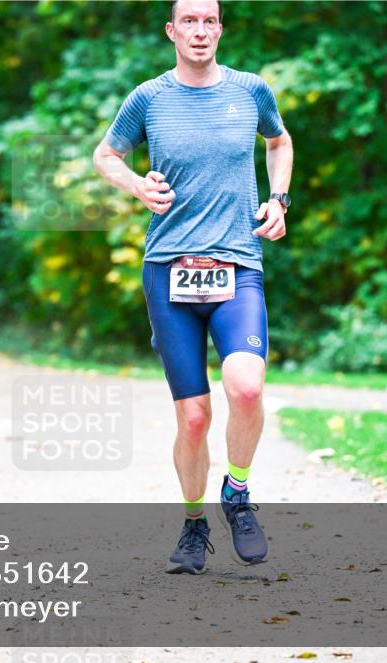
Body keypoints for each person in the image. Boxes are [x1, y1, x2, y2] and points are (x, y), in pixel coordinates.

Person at [93, 0, 294, 574]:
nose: (200, 31)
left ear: (221, 30)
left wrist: (278, 199)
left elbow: (279, 142)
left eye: (210, 21)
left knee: (247, 389)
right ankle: (192, 524)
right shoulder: (149, 98)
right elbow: (105, 155)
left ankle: (238, 492)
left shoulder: (251, 90)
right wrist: (135, 185)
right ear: (172, 31)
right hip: (168, 270)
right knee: (195, 418)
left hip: (237, 266)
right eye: (190, 21)